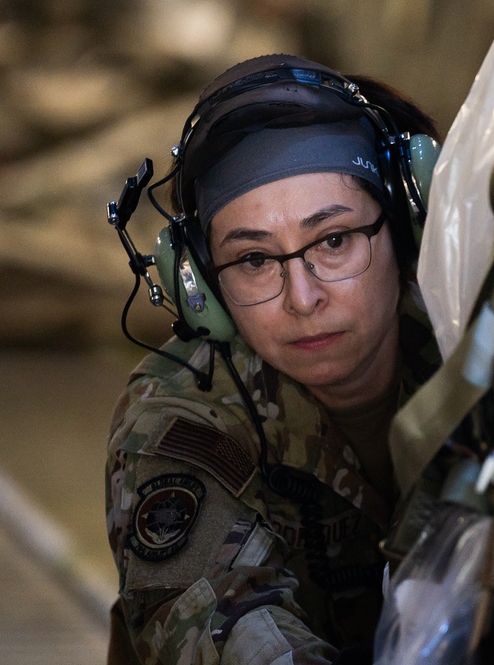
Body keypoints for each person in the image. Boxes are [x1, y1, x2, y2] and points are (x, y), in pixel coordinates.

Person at [104, 54, 442, 664]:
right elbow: (219, 625)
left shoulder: (487, 351)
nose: (304, 298)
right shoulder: (182, 413)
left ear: (404, 225)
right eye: (255, 260)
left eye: (335, 241)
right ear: (200, 286)